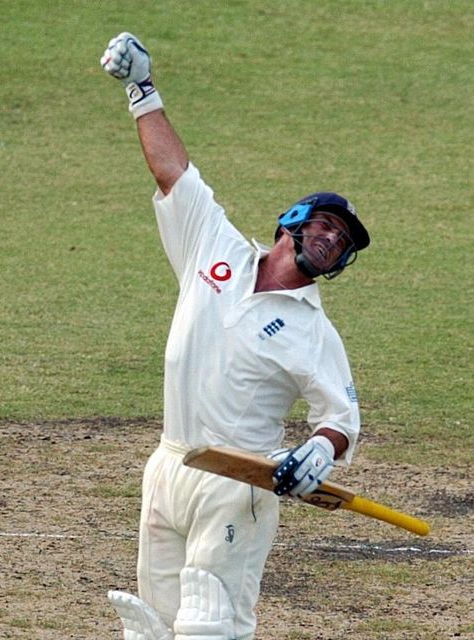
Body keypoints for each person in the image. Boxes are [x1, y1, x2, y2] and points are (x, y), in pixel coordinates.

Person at [101, 32, 370, 640]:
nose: (334, 240)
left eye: (344, 242)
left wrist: (318, 452)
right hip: (169, 464)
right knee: (154, 626)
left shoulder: (313, 330)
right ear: (293, 224)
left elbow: (342, 417)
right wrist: (141, 90)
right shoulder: (212, 243)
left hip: (241, 480)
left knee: (210, 625)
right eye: (328, 225)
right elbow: (174, 173)